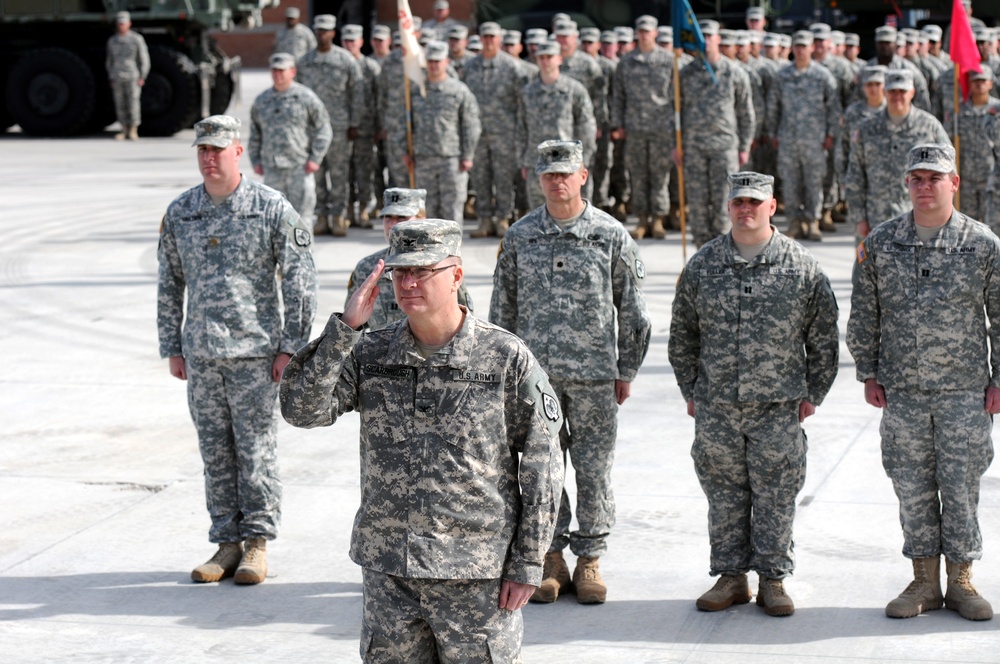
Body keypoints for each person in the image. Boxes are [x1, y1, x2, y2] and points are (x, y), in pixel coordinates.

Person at [279, 218, 563, 661]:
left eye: (421, 271)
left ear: (456, 274)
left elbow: (544, 465)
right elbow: (301, 409)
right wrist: (345, 329)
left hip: (474, 575)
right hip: (390, 573)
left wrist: (528, 561)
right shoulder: (372, 352)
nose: (408, 283)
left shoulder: (505, 358)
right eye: (399, 273)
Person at [668, 171, 839, 617]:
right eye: (739, 202)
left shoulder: (801, 267)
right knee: (724, 494)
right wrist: (692, 389)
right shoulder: (703, 265)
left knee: (776, 494)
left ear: (772, 206)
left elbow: (823, 338)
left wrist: (812, 393)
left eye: (754, 202)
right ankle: (730, 577)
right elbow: (683, 335)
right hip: (717, 407)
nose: (746, 209)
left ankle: (773, 579)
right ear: (729, 207)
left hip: (777, 407)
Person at [157, 115, 318, 585]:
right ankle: (225, 543)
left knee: (256, 451)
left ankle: (256, 544)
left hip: (255, 356)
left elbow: (301, 280)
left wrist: (291, 347)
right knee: (215, 452)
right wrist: (173, 344)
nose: (209, 158)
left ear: (238, 151)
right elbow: (170, 282)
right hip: (202, 355)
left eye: (217, 149)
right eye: (202, 150)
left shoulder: (270, 207)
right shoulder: (182, 211)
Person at [490, 140, 652, 605]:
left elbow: (634, 311)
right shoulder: (521, 236)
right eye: (549, 175)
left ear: (583, 177)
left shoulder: (609, 234)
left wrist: (627, 369)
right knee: (543, 471)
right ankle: (551, 555)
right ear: (538, 179)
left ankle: (590, 558)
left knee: (594, 470)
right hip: (536, 381)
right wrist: (503, 372)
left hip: (596, 378)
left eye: (566, 173)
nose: (557, 182)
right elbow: (503, 308)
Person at [847, 143, 998, 622]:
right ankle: (923, 580)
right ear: (907, 184)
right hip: (903, 391)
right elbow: (864, 310)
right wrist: (868, 370)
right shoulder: (882, 243)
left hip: (963, 392)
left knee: (960, 487)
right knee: (911, 487)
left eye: (935, 178)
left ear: (954, 183)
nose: (924, 186)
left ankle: (960, 580)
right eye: (916, 178)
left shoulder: (983, 244)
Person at [670, 20, 756, 248]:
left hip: (724, 146)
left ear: (719, 39)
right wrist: (675, 145)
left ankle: (723, 249)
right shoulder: (685, 73)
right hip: (694, 146)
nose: (706, 40)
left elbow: (746, 112)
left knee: (724, 203)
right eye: (702, 36)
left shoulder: (734, 72)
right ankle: (701, 250)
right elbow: (675, 112)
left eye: (710, 36)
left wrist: (744, 146)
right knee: (697, 203)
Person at [347, 187, 473, 329]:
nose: (393, 225)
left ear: (422, 220)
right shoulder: (367, 268)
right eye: (388, 217)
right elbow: (353, 326)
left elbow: (463, 319)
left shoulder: (442, 265)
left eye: (402, 217)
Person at [845, 69, 949, 239]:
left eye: (902, 91)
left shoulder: (930, 127)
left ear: (912, 92)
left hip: (919, 220)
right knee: (868, 266)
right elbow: (855, 176)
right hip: (875, 220)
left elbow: (948, 173)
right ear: (884, 92)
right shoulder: (867, 128)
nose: (897, 95)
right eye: (892, 91)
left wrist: (941, 214)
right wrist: (859, 219)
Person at [294, 15, 364, 237]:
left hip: (339, 128)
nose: (322, 34)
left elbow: (356, 93)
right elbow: (298, 95)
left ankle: (338, 217)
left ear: (333, 33)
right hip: (312, 130)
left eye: (326, 31)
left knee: (339, 174)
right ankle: (321, 217)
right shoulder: (305, 62)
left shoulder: (345, 60)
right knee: (316, 175)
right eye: (319, 30)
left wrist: (354, 123)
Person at [765, 30, 837, 241]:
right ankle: (795, 222)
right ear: (792, 49)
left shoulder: (822, 76)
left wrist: (831, 133)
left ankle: (813, 222)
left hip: (815, 140)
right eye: (797, 46)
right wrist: (773, 132)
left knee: (814, 182)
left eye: (804, 46)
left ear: (812, 47)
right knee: (791, 182)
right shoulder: (782, 76)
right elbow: (773, 106)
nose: (800, 50)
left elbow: (833, 107)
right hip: (788, 139)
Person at [611, 15, 676, 240]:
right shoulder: (627, 61)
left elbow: (677, 96)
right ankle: (641, 219)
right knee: (637, 174)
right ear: (636, 34)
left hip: (662, 127)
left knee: (659, 175)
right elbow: (618, 95)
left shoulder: (669, 60)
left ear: (656, 33)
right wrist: (618, 123)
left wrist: (678, 126)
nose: (645, 34)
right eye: (641, 31)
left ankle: (658, 219)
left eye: (648, 31)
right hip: (635, 127)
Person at [249, 53, 333, 227]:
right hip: (273, 169)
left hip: (299, 168)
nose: (277, 74)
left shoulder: (306, 97)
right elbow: (255, 133)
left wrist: (315, 158)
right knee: (273, 219)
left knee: (302, 220)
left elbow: (323, 129)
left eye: (282, 70)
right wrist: (255, 160)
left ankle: (304, 254)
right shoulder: (262, 101)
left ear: (292, 71)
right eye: (274, 70)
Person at [401, 41, 480, 224]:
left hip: (451, 159)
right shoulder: (414, 90)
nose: (434, 65)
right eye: (430, 61)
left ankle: (452, 252)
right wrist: (406, 151)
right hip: (423, 157)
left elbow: (471, 124)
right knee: (426, 211)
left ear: (446, 62)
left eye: (438, 61)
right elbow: (404, 123)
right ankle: (429, 251)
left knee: (451, 209)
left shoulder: (459, 90)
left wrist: (468, 155)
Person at [462, 22, 527, 238]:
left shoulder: (512, 67)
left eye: (493, 37)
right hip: (478, 134)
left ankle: (503, 218)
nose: (489, 40)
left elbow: (521, 102)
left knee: (504, 178)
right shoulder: (470, 67)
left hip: (504, 133)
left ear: (500, 39)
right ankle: (485, 219)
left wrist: (519, 133)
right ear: (480, 39)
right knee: (480, 178)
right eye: (485, 36)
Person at [518, 41, 596, 209]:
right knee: (538, 213)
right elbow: (521, 128)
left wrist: (584, 158)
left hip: (568, 161)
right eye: (542, 58)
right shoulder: (528, 92)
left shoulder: (574, 89)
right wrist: (523, 160)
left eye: (550, 57)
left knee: (572, 210)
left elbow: (586, 126)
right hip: (536, 160)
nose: (546, 61)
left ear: (559, 59)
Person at [341, 24, 382, 228]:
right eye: (346, 41)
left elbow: (378, 100)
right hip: (343, 130)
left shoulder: (371, 67)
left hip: (365, 130)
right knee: (345, 171)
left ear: (361, 42)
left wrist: (378, 127)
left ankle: (364, 209)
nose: (349, 45)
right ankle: (348, 210)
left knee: (365, 171)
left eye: (353, 41)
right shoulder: (339, 65)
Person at [105, 11, 149, 141]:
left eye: (123, 23)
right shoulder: (112, 40)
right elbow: (109, 60)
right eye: (119, 23)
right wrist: (111, 75)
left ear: (129, 23)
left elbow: (143, 59)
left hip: (132, 76)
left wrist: (143, 76)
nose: (121, 26)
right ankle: (123, 129)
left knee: (133, 103)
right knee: (120, 104)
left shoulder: (136, 39)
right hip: (117, 76)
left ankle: (133, 129)